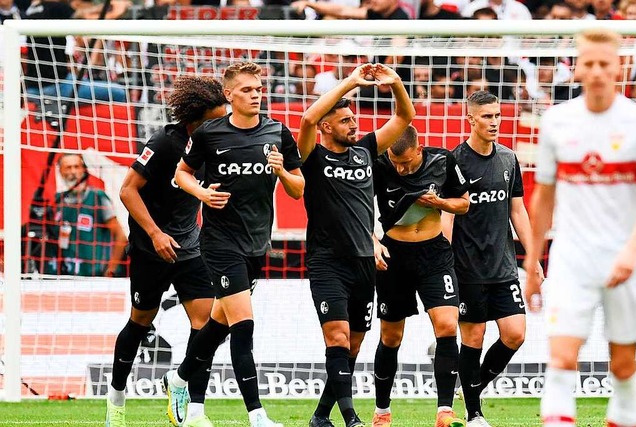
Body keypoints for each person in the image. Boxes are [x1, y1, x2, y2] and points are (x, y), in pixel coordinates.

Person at [163, 61, 305, 427]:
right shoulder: (210, 134)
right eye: (246, 90)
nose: (255, 95)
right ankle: (257, 415)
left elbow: (299, 188)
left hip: (256, 243)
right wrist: (202, 194)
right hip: (219, 242)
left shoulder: (277, 132)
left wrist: (281, 171)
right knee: (243, 325)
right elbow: (182, 173)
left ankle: (178, 378)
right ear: (229, 95)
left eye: (258, 89)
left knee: (217, 326)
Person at [523, 29, 636, 427]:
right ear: (577, 68)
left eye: (604, 64)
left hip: (626, 258)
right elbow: (543, 197)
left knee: (623, 366)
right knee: (560, 361)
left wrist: (631, 252)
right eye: (587, 63)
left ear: (619, 67)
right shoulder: (557, 121)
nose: (596, 72)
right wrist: (534, 262)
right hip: (572, 257)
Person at [105, 76, 228, 427]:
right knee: (140, 322)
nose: (220, 124)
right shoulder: (163, 142)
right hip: (150, 248)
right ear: (193, 120)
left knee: (205, 324)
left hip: (190, 246)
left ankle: (191, 405)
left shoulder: (215, 145)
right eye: (213, 119)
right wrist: (155, 233)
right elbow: (128, 191)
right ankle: (115, 400)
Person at [297, 62, 415, 427]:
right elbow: (306, 120)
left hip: (365, 262)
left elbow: (404, 118)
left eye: (354, 119)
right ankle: (351, 418)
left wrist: (395, 83)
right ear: (328, 126)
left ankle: (320, 417)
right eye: (346, 120)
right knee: (337, 336)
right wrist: (349, 81)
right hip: (327, 261)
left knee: (352, 346)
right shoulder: (312, 157)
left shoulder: (365, 151)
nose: (355, 125)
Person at [443, 90, 543, 427]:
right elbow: (448, 218)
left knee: (515, 333)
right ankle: (474, 415)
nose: (494, 122)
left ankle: (473, 387)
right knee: (472, 338)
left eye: (498, 115)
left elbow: (518, 210)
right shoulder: (453, 161)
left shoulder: (508, 158)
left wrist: (532, 257)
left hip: (503, 266)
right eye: (487, 116)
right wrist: (445, 265)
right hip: (467, 268)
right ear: (470, 119)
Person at [372, 125, 469, 427]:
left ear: (420, 149)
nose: (400, 168)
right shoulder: (378, 165)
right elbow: (357, 205)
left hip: (434, 253)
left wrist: (440, 203)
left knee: (447, 325)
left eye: (406, 162)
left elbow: (464, 203)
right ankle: (382, 411)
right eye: (395, 162)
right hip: (393, 255)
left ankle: (444, 410)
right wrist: (372, 240)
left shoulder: (443, 161)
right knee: (391, 336)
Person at [45, 153, 128, 277]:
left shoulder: (97, 197)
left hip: (96, 275)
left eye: (77, 166)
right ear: (60, 171)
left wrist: (111, 268)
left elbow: (121, 236)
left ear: (84, 169)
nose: (73, 171)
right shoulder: (57, 201)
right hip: (66, 276)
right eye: (68, 167)